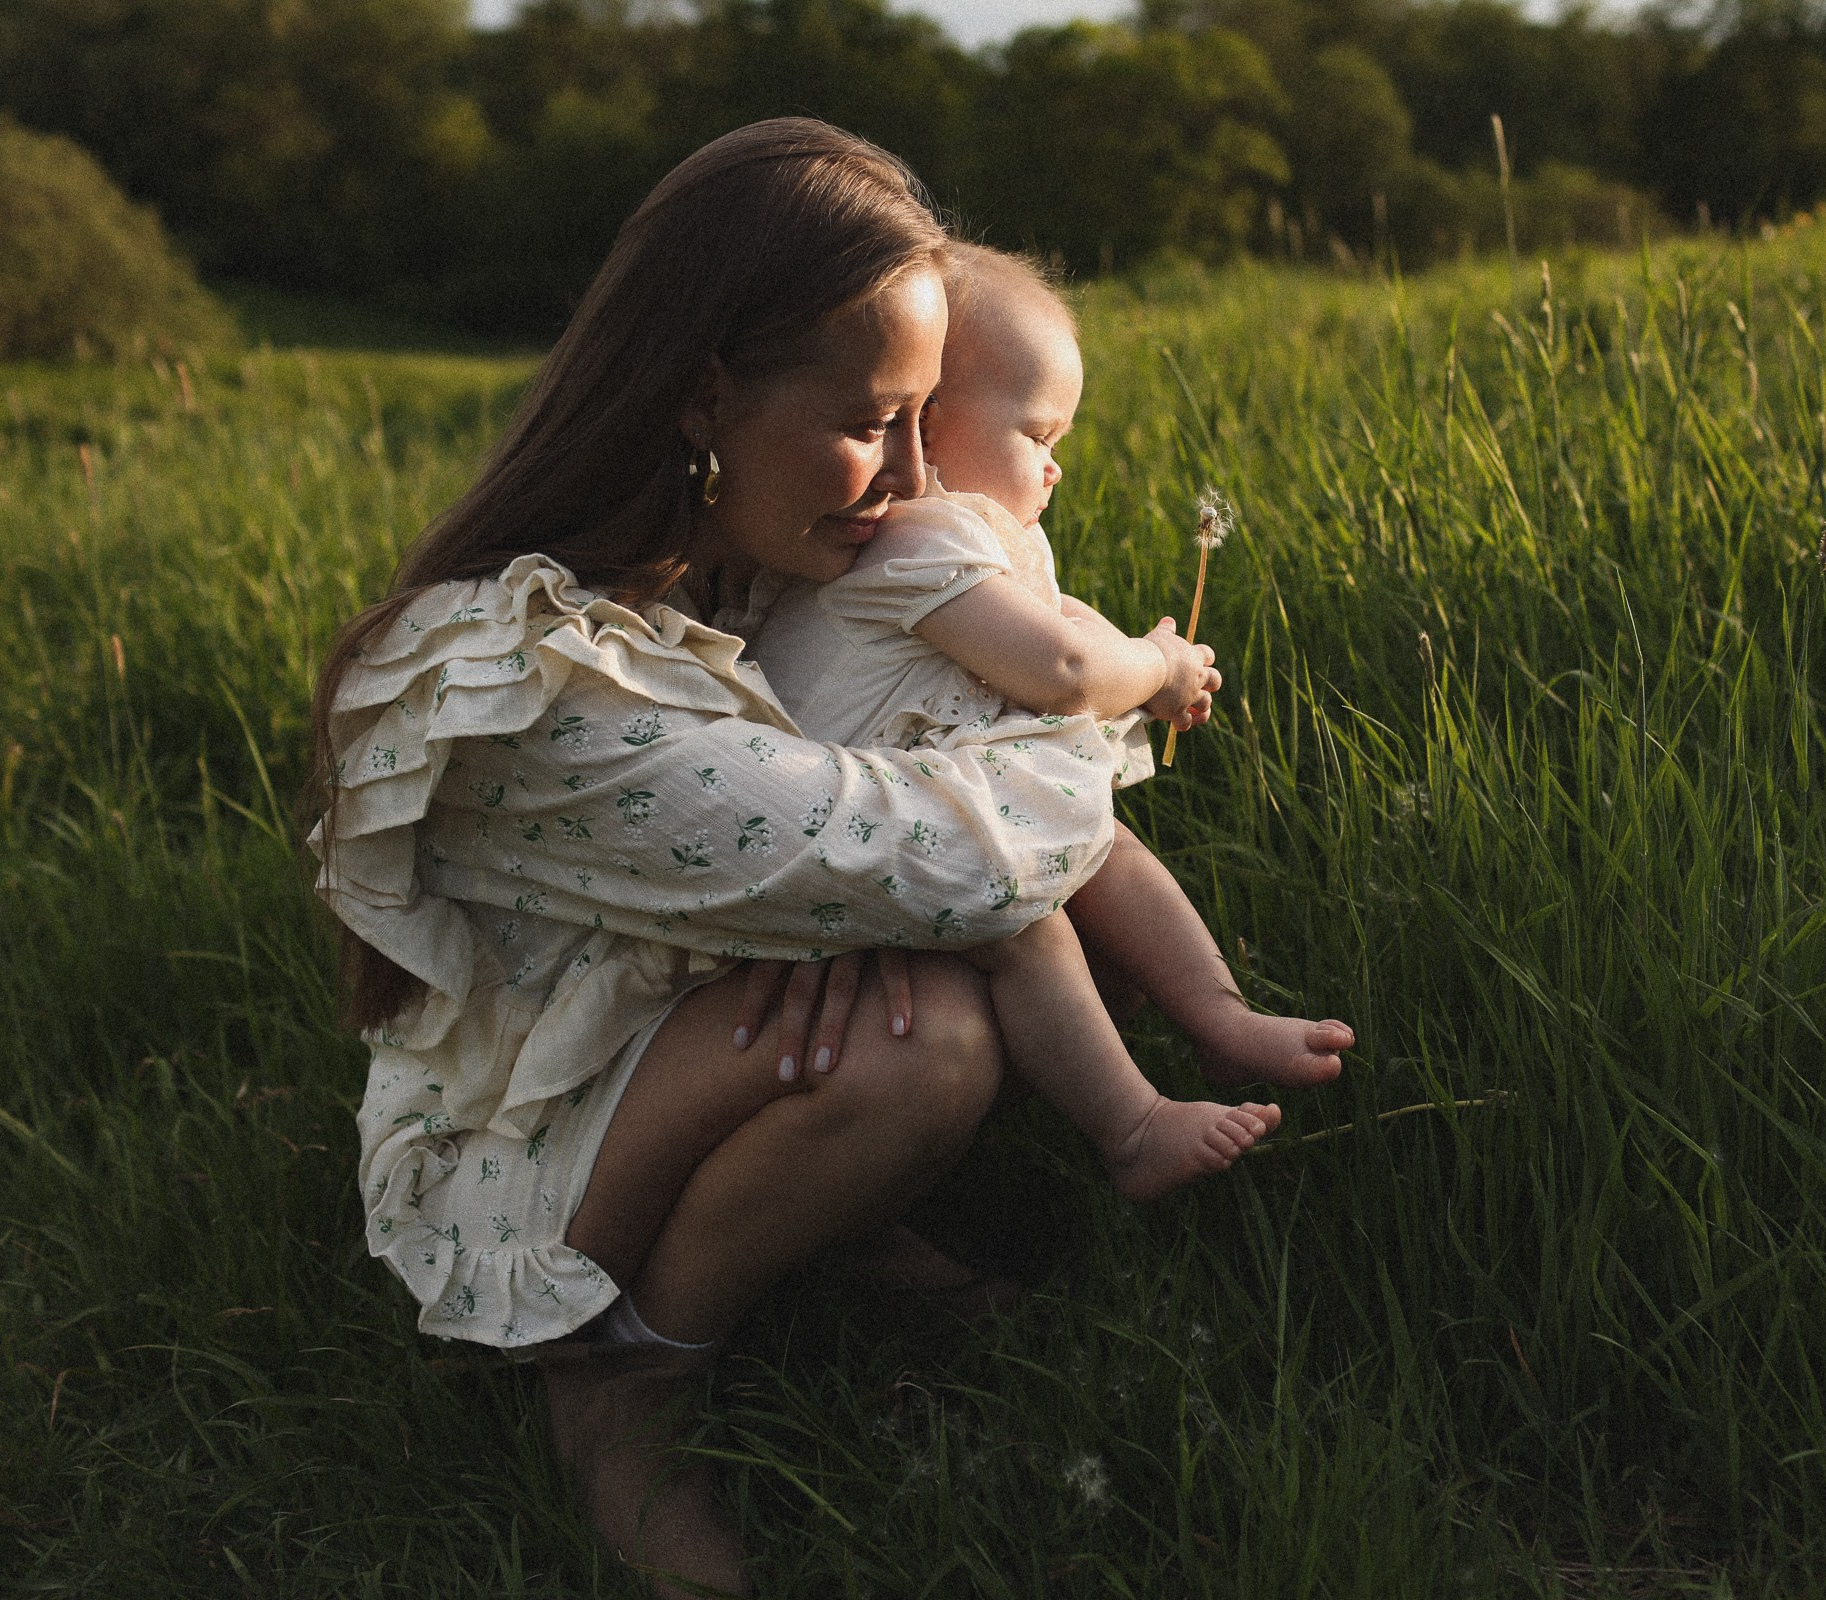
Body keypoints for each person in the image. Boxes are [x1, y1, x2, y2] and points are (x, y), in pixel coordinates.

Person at [305, 121, 1183, 1597]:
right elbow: (939, 858)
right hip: (540, 1127)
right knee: (932, 1043)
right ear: (706, 392)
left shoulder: (767, 568)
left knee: (923, 1006)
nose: (910, 478)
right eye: (868, 420)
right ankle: (614, 1386)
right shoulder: (529, 674)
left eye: (926, 421)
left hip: (703, 1023)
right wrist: (1106, 681)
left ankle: (828, 1237)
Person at [744, 243, 1352, 1201]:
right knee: (1026, 911)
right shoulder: (919, 536)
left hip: (914, 805)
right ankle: (1132, 1126)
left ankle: (1219, 1018)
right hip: (851, 832)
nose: (1056, 467)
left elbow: (1061, 629)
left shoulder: (970, 538)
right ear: (930, 430)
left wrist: (1151, 669)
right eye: (1038, 434)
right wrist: (1152, 665)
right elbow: (1061, 668)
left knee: (1099, 841)